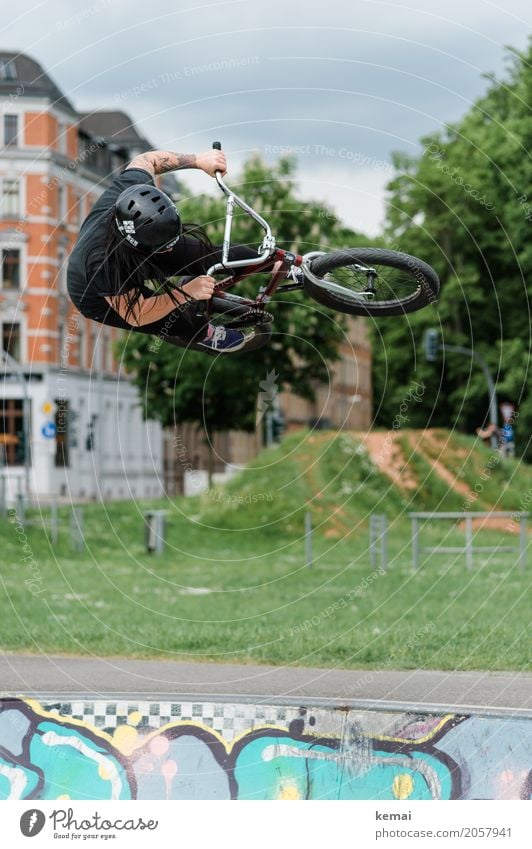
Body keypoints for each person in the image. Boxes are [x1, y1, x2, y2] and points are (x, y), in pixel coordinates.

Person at [67, 148, 259, 352]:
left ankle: (284, 264)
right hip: (98, 295)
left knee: (211, 256)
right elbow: (136, 314)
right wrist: (187, 292)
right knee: (184, 323)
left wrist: (199, 160)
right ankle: (207, 334)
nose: (170, 251)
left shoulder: (133, 188)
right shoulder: (100, 262)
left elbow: (146, 159)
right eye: (164, 247)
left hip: (143, 248)